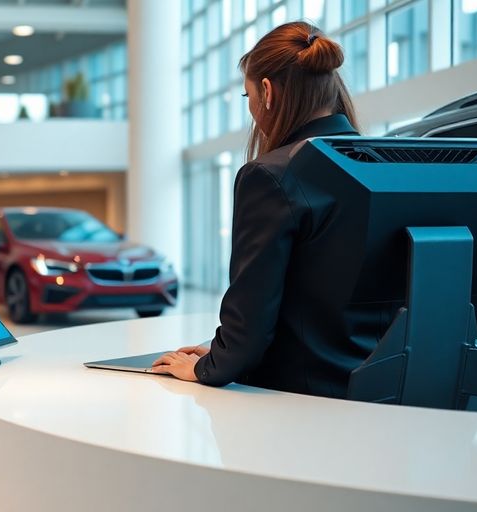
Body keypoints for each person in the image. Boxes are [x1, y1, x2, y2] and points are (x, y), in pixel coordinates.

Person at [151, 21, 368, 399]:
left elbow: (251, 316)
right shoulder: (380, 164)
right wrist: (220, 350)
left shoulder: (270, 176)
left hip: (293, 399)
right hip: (374, 390)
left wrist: (209, 365)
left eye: (247, 95)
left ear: (267, 92)